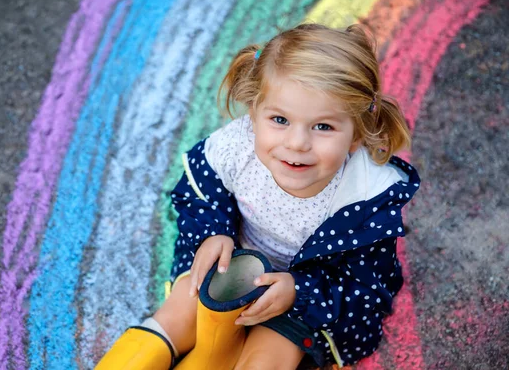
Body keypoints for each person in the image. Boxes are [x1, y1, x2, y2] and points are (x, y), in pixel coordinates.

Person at [96, 23, 420, 370]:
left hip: (301, 300)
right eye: (280, 119)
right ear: (255, 113)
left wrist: (299, 291)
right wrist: (213, 232)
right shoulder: (237, 149)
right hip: (231, 263)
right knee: (178, 313)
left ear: (357, 134)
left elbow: (365, 287)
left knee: (268, 359)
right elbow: (201, 193)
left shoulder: (365, 199)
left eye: (323, 126)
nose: (297, 143)